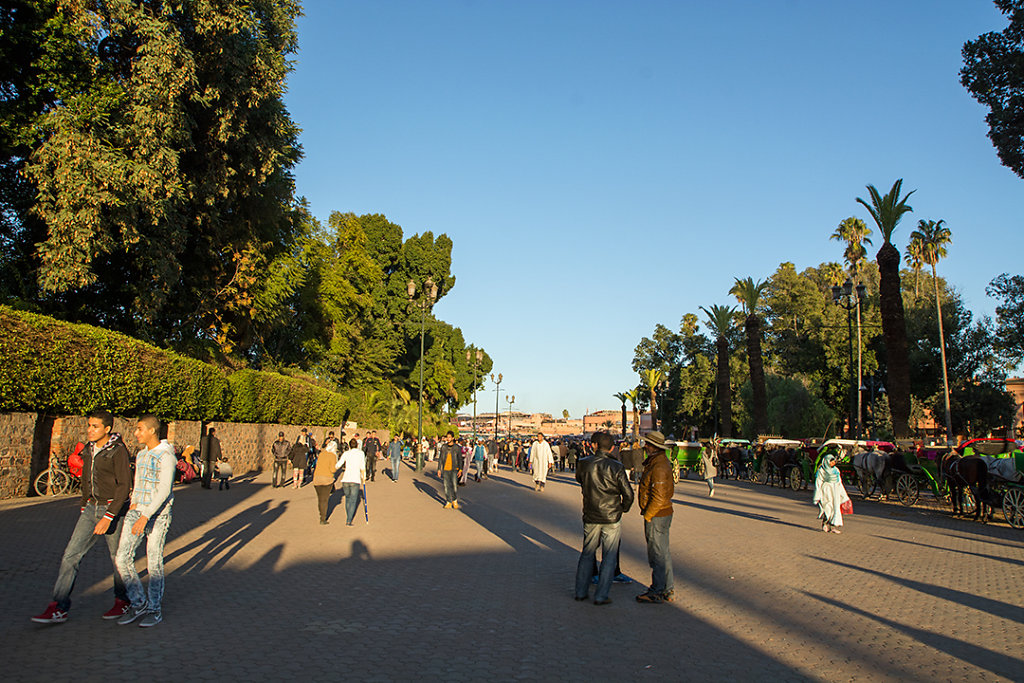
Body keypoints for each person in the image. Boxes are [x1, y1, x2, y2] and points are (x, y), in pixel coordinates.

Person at [31, 410, 132, 624]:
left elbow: (124, 485)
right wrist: (84, 502)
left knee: (118, 559)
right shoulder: (89, 448)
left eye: (94, 426)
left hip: (111, 510)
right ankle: (59, 606)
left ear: (107, 429)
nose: (89, 429)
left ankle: (123, 601)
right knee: (71, 555)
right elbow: (86, 477)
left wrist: (109, 516)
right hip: (90, 509)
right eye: (88, 425)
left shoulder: (117, 451)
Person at [116, 415, 176, 627]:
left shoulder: (166, 456)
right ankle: (138, 602)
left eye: (140, 429)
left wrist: (146, 515)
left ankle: (154, 609)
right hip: (137, 510)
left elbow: (164, 490)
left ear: (152, 430)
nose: (136, 433)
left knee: (154, 562)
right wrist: (133, 503)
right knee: (122, 558)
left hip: (157, 515)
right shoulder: (141, 455)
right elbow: (138, 480)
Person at [574, 431, 634, 605]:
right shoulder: (616, 467)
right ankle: (601, 595)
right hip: (611, 516)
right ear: (612, 448)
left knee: (587, 552)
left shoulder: (584, 464)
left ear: (594, 445)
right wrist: (622, 508)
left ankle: (580, 591)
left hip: (591, 514)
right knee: (609, 556)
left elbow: (580, 480)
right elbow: (628, 494)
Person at [636, 430, 675, 604]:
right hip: (663, 513)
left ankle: (658, 589)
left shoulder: (658, 466)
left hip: (657, 514)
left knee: (657, 553)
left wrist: (649, 515)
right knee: (663, 552)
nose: (645, 447)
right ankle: (667, 588)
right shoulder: (659, 463)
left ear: (653, 447)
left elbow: (658, 496)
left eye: (647, 444)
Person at [813, 452, 850, 533]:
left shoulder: (836, 470)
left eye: (834, 461)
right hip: (826, 490)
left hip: (835, 490)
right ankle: (825, 524)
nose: (833, 463)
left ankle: (833, 526)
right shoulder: (821, 471)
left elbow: (839, 482)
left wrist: (843, 494)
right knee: (827, 507)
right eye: (831, 461)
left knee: (835, 508)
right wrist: (817, 495)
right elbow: (818, 483)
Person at [336, 438, 367, 526]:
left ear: (349, 445)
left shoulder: (346, 453)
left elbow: (338, 464)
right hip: (355, 479)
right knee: (353, 500)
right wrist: (363, 478)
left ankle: (348, 516)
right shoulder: (361, 454)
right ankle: (349, 519)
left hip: (346, 479)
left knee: (348, 498)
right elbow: (362, 467)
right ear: (357, 445)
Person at [313, 439, 341, 524]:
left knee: (320, 499)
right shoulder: (332, 456)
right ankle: (323, 518)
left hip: (317, 478)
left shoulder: (321, 454)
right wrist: (337, 467)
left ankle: (321, 513)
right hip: (327, 479)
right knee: (325, 500)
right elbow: (332, 470)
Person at [437, 431, 462, 509]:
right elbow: (440, 459)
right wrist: (439, 469)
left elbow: (460, 459)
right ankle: (448, 501)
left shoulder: (457, 448)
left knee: (454, 486)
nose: (448, 439)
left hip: (454, 469)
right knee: (446, 486)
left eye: (449, 437)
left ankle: (454, 500)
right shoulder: (443, 447)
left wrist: (460, 470)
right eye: (447, 437)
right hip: (445, 469)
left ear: (453, 438)